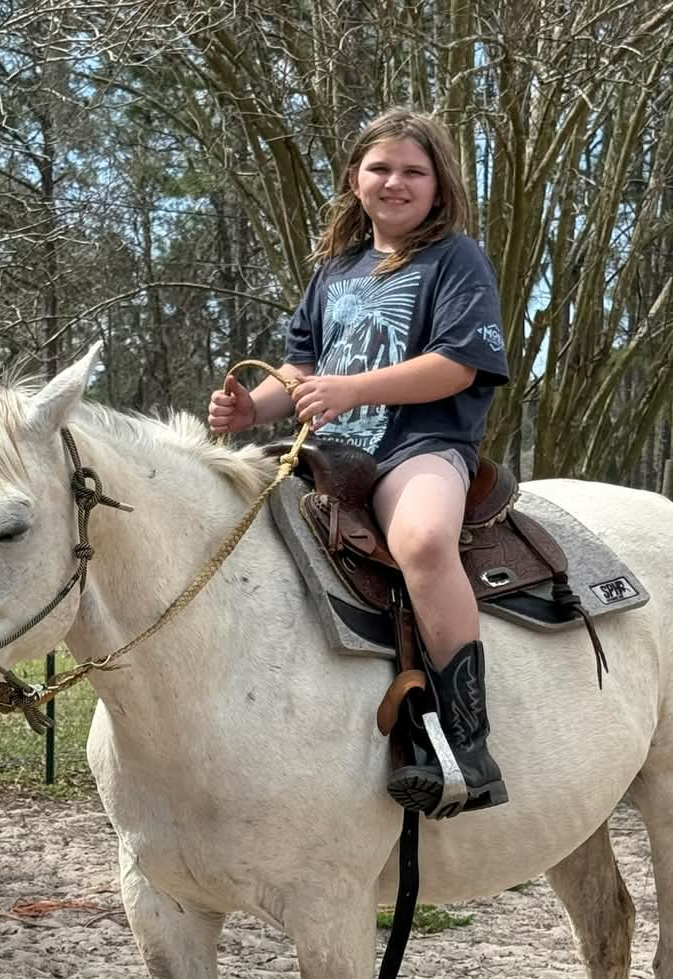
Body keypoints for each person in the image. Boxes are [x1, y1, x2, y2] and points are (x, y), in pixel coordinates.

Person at [208, 109, 510, 816]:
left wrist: (353, 390)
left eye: (413, 171)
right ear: (353, 179)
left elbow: (459, 366)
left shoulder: (455, 260)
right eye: (380, 169)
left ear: (440, 186)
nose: (394, 182)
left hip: (419, 446)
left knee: (423, 542)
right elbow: (301, 365)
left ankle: (467, 739)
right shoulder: (334, 272)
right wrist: (255, 409)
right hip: (330, 452)